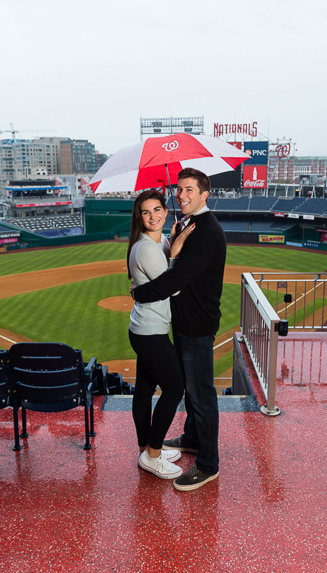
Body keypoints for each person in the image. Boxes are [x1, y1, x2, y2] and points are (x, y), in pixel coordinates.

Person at [131, 168, 226, 491]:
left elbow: (172, 281)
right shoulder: (192, 226)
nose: (182, 194)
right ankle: (192, 438)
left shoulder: (207, 233)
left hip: (196, 325)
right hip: (187, 323)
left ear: (204, 194)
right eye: (179, 188)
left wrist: (138, 292)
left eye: (189, 189)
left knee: (201, 396)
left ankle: (208, 464)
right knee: (193, 392)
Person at [128, 189, 194, 480]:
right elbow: (174, 287)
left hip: (146, 329)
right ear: (139, 217)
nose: (153, 216)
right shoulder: (144, 248)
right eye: (146, 211)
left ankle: (145, 447)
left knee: (144, 390)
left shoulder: (161, 241)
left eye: (157, 209)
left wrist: (173, 243)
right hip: (150, 332)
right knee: (173, 389)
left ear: (166, 212)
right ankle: (153, 454)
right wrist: (176, 254)